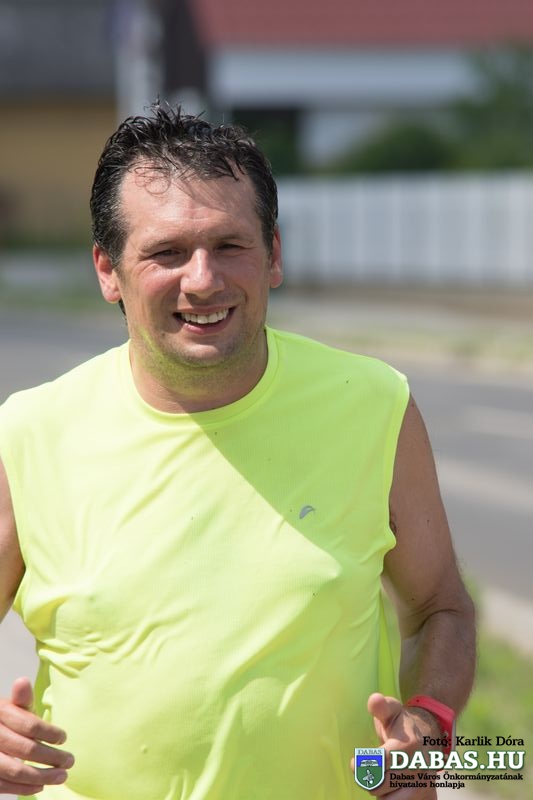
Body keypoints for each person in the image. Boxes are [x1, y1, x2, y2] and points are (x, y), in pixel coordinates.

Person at [0, 104, 475, 799]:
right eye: (166, 253)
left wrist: (429, 728)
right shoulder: (28, 432)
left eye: (229, 245)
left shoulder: (375, 404)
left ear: (273, 254)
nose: (203, 279)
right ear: (107, 270)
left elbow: (441, 608)